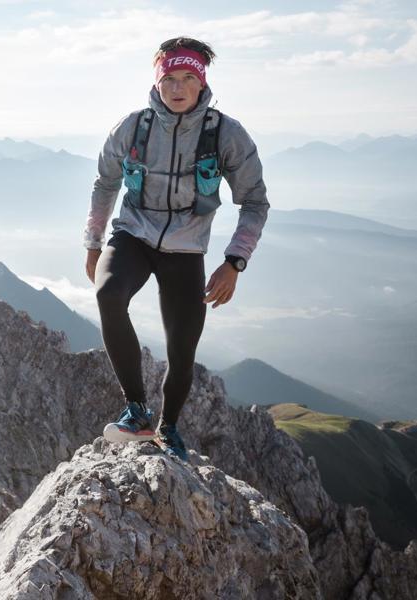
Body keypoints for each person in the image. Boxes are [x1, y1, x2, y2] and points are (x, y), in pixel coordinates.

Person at [83, 37, 269, 460]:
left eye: (188, 78)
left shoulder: (226, 134)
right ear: (158, 80)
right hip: (133, 234)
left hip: (187, 249)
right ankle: (137, 411)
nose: (178, 87)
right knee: (109, 295)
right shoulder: (132, 128)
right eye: (170, 78)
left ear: (203, 83)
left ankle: (168, 428)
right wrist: (94, 243)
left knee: (181, 349)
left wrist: (234, 261)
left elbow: (254, 202)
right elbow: (105, 183)